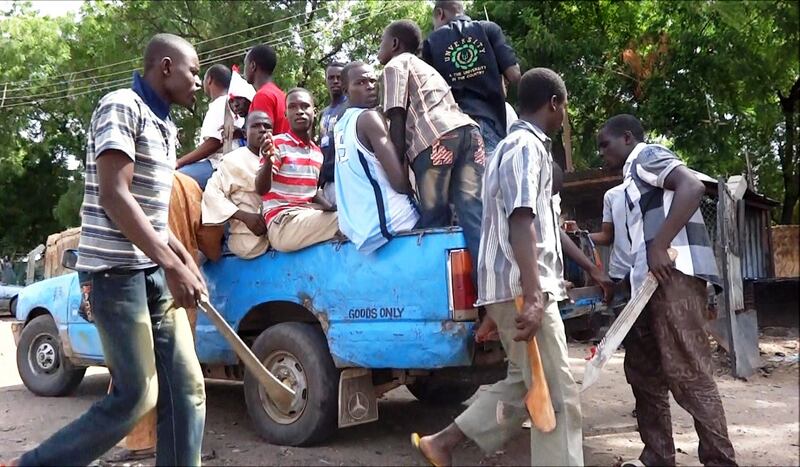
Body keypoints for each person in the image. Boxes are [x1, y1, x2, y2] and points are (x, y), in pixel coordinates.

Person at [6, 33, 207, 467]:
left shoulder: (166, 125)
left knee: (187, 389)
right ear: (166, 67)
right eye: (193, 70)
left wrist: (184, 259)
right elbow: (116, 198)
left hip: (152, 270)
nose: (199, 80)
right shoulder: (122, 106)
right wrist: (173, 264)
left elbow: (150, 214)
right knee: (137, 395)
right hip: (115, 275)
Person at [412, 68, 610, 467]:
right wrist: (534, 297)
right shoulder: (525, 147)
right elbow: (522, 220)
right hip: (523, 289)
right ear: (554, 103)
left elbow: (508, 226)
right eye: (564, 106)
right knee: (557, 396)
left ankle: (443, 443)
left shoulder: (507, 147)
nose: (563, 114)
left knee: (525, 383)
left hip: (512, 289)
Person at [597, 114, 736, 467]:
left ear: (627, 138)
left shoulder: (646, 155)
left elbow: (691, 185)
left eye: (605, 144)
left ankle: (720, 460)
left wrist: (661, 244)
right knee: (643, 370)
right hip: (648, 285)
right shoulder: (629, 180)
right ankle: (657, 456)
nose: (601, 153)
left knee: (688, 371)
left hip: (673, 275)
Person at [378, 19, 484, 263]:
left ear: (394, 43)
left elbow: (397, 115)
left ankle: (439, 290)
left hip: (437, 139)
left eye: (381, 42)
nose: (379, 48)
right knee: (473, 215)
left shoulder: (396, 64)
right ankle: (487, 289)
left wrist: (398, 169)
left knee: (434, 218)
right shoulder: (427, 68)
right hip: (469, 133)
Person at [334, 62, 419, 254]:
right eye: (361, 82)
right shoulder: (368, 118)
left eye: (373, 80)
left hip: (360, 228)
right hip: (394, 221)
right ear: (346, 90)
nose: (370, 86)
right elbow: (400, 184)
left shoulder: (340, 125)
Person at [422, 0, 521, 155]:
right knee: (490, 177)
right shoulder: (489, 29)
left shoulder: (430, 42)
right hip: (489, 123)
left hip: (451, 129)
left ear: (440, 14)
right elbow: (514, 75)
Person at [255, 88, 338, 252]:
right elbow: (261, 189)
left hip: (306, 217)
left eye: (305, 106)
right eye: (292, 107)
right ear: (285, 114)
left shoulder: (317, 153)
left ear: (314, 112)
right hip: (283, 223)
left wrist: (331, 207)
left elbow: (311, 192)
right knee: (350, 221)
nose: (299, 111)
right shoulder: (277, 144)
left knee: (348, 214)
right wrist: (268, 162)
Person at [202, 111, 272, 259]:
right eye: (255, 126)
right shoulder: (232, 160)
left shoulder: (281, 156)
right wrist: (244, 217)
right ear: (245, 134)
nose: (262, 129)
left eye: (267, 126)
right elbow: (212, 194)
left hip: (278, 237)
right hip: (245, 241)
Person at [176, 64, 232, 189]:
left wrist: (179, 162)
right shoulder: (231, 102)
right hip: (220, 164)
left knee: (175, 179)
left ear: (209, 80)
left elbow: (214, 143)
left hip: (218, 165)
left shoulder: (220, 104)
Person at [318, 61, 348, 207]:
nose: (335, 81)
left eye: (339, 77)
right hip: (327, 183)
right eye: (331, 77)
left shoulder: (351, 107)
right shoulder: (322, 114)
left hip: (345, 180)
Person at [589, 183, 632, 282]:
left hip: (624, 271)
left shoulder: (613, 195)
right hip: (621, 273)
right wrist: (580, 236)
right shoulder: (612, 195)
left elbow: (606, 237)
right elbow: (607, 237)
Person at [244, 44, 289, 134]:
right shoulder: (280, 94)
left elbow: (261, 137)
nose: (243, 70)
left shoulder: (262, 96)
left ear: (253, 66)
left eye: (245, 64)